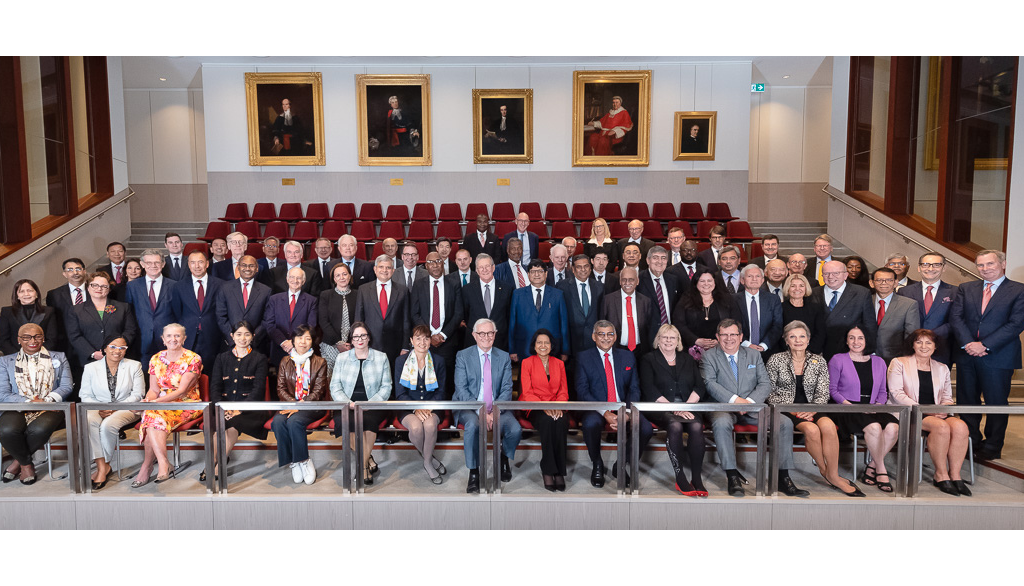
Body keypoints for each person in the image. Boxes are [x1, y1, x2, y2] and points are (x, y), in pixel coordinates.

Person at [702, 319, 808, 497]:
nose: (729, 339)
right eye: (724, 335)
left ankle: (783, 477)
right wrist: (736, 401)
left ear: (741, 336)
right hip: (722, 406)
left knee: (784, 423)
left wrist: (749, 402)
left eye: (733, 334)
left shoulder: (752, 354)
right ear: (717, 337)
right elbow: (709, 383)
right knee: (721, 423)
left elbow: (765, 383)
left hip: (753, 406)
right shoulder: (709, 356)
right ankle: (732, 475)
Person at [766, 321, 861, 496]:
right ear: (786, 340)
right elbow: (769, 393)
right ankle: (827, 472)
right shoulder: (776, 360)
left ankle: (832, 474)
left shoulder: (818, 361)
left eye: (802, 336)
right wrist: (793, 410)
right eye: (792, 336)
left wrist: (812, 410)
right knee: (811, 429)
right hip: (785, 409)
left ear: (808, 340)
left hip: (814, 407)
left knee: (828, 427)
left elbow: (823, 392)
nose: (798, 340)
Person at [950, 249, 1024, 461]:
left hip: (998, 356)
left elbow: (1016, 324)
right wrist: (968, 344)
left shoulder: (1019, 290)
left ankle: (992, 446)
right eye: (981, 265)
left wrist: (985, 345)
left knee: (996, 403)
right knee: (966, 401)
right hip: (967, 355)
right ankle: (970, 441)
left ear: (1003, 264)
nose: (985, 269)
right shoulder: (966, 288)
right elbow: (956, 318)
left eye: (990, 264)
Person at [888, 329, 972, 496]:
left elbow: (948, 397)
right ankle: (940, 474)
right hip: (909, 412)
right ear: (912, 344)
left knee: (961, 426)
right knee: (941, 427)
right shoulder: (899, 363)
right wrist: (927, 411)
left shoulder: (942, 368)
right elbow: (896, 394)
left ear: (935, 346)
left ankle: (955, 475)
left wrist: (942, 409)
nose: (923, 346)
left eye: (928, 342)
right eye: (919, 342)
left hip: (935, 413)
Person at [575, 320, 652, 488]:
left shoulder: (627, 356)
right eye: (601, 334)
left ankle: (621, 464)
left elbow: (634, 387)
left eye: (610, 334)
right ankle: (597, 463)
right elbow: (582, 390)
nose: (606, 338)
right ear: (594, 336)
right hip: (596, 408)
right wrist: (605, 412)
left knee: (645, 428)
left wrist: (628, 412)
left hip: (623, 406)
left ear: (615, 336)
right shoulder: (583, 357)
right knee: (590, 424)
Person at [639, 325, 708, 497]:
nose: (669, 341)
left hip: (687, 406)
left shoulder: (687, 359)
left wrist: (685, 406)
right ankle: (680, 476)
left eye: (673, 338)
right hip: (660, 407)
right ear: (658, 340)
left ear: (678, 341)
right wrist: (674, 409)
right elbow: (648, 388)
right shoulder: (648, 359)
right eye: (665, 337)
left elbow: (699, 386)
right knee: (675, 425)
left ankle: (697, 478)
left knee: (696, 426)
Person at [453, 319, 521, 494]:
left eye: (490, 333)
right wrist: (481, 412)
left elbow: (507, 388)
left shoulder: (503, 356)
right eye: (482, 333)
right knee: (473, 426)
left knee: (514, 429)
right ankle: (474, 472)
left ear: (495, 334)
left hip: (498, 406)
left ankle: (503, 457)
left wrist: (494, 412)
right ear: (474, 335)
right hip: (470, 407)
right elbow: (461, 389)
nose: (486, 337)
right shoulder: (463, 355)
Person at [829, 326, 899, 493]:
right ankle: (882, 471)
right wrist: (850, 406)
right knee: (874, 427)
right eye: (851, 338)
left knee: (893, 427)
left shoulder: (879, 362)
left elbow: (883, 391)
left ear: (867, 340)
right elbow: (833, 390)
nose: (856, 342)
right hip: (847, 408)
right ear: (846, 341)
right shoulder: (838, 359)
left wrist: (878, 406)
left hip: (874, 407)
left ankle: (872, 465)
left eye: (860, 338)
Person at [0, 324, 73, 485]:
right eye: (26, 337)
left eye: (37, 336)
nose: (32, 341)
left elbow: (67, 386)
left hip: (50, 406)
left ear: (43, 338)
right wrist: (29, 402)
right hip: (17, 406)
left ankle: (17, 464)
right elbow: (3, 393)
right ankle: (26, 463)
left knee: (39, 429)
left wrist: (46, 400)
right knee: (7, 429)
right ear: (19, 340)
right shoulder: (5, 361)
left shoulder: (59, 357)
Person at [133, 323, 203, 487]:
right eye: (169, 336)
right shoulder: (156, 359)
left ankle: (149, 466)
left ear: (184, 339)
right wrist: (148, 401)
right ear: (163, 339)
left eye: (177, 336)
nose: (173, 339)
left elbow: (181, 391)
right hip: (159, 406)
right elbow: (153, 390)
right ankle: (162, 463)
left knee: (151, 415)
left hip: (186, 404)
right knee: (152, 415)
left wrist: (154, 403)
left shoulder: (193, 358)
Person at [205, 321, 269, 483]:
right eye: (239, 334)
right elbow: (215, 388)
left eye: (247, 334)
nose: (243, 338)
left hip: (250, 409)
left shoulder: (259, 358)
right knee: (218, 425)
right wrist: (222, 408)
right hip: (224, 407)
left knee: (233, 423)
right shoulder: (222, 358)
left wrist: (239, 409)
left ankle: (218, 465)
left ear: (253, 337)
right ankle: (212, 462)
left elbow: (258, 389)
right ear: (232, 336)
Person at [79, 335, 145, 490]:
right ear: (104, 349)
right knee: (89, 421)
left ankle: (104, 466)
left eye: (122, 348)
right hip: (97, 407)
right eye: (113, 347)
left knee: (108, 425)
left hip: (127, 407)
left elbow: (138, 394)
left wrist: (116, 408)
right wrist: (100, 408)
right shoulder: (90, 368)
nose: (118, 351)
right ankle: (102, 466)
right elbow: (85, 395)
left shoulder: (134, 366)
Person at [330, 322, 392, 486]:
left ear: (369, 337)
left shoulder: (381, 357)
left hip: (373, 404)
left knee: (369, 422)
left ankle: (362, 466)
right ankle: (366, 459)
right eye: (356, 336)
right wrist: (349, 403)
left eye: (363, 335)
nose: (360, 339)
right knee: (346, 422)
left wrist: (369, 403)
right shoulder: (342, 358)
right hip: (347, 403)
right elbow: (335, 386)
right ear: (351, 339)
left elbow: (387, 387)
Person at [270, 325, 328, 485]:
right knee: (278, 422)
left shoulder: (320, 362)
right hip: (289, 405)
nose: (303, 342)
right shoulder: (285, 361)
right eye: (299, 338)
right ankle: (293, 462)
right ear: (293, 341)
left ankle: (303, 460)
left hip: (313, 406)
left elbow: (318, 390)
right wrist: (292, 404)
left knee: (295, 421)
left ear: (312, 341)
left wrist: (301, 405)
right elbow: (280, 388)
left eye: (307, 338)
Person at [394, 325, 448, 484]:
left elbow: (442, 391)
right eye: (418, 338)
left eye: (426, 338)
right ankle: (431, 459)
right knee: (416, 427)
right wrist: (416, 408)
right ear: (411, 341)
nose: (422, 342)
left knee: (430, 425)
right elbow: (400, 393)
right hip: (407, 407)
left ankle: (427, 463)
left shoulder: (439, 361)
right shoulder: (400, 361)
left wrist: (429, 407)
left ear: (430, 341)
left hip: (433, 406)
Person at [518, 329, 569, 492]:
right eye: (539, 342)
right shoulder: (527, 362)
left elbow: (563, 390)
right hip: (534, 406)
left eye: (546, 342)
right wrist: (545, 406)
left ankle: (560, 471)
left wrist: (558, 406)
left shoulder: (559, 363)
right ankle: (548, 470)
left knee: (561, 422)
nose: (543, 345)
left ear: (551, 345)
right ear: (534, 345)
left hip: (556, 406)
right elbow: (527, 392)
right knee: (547, 422)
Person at [410, 252, 463, 398]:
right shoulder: (419, 285)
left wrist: (442, 334)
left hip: (448, 341)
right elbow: (414, 313)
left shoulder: (454, 283)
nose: (435, 264)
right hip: (424, 342)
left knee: (447, 380)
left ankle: (446, 415)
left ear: (443, 263)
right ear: (426, 266)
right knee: (425, 378)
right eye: (431, 262)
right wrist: (429, 336)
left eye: (438, 261)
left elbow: (458, 313)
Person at [65, 272, 138, 368]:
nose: (99, 289)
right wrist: (92, 353)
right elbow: (74, 335)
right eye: (94, 285)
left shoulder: (123, 307)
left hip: (118, 358)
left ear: (109, 289)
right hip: (89, 361)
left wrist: (117, 348)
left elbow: (130, 330)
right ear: (88, 287)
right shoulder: (76, 310)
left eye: (104, 286)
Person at [898, 252, 958, 366]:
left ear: (944, 268)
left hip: (941, 349)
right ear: (919, 268)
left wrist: (930, 335)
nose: (930, 268)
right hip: (911, 349)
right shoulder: (904, 292)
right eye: (925, 264)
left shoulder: (955, 292)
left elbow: (956, 320)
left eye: (936, 265)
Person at [810, 260, 877, 360]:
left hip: (849, 350)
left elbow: (869, 324)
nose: (831, 277)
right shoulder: (812, 293)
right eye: (826, 273)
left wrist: (868, 350)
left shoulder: (861, 293)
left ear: (845, 275)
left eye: (836, 273)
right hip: (819, 351)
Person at [170, 250, 225, 370]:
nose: (197, 266)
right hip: (187, 337)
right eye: (193, 263)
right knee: (187, 372)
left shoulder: (220, 285)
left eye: (200, 262)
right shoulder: (179, 286)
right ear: (188, 265)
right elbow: (177, 313)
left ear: (207, 264)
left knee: (212, 372)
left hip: (213, 336)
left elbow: (222, 312)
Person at [354, 254, 411, 366]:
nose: (384, 270)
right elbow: (359, 320)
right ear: (375, 269)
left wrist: (405, 346)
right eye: (381, 267)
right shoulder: (363, 289)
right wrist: (358, 343)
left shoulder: (403, 291)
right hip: (370, 344)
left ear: (393, 270)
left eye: (388, 267)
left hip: (395, 345)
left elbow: (406, 320)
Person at [508, 259, 569, 363]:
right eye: (533, 271)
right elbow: (512, 323)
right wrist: (512, 349)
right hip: (524, 347)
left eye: (540, 271)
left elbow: (564, 324)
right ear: (528, 274)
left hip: (552, 349)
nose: (536, 274)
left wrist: (565, 350)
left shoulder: (558, 295)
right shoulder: (517, 294)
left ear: (546, 274)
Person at [672, 268, 740, 358]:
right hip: (692, 350)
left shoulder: (727, 299)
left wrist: (720, 340)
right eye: (702, 281)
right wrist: (696, 340)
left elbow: (736, 322)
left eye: (709, 280)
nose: (706, 284)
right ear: (696, 283)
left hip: (722, 348)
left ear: (715, 282)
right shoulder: (685, 300)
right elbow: (679, 324)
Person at [126, 249, 178, 360]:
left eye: (157, 262)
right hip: (141, 342)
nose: (153, 266)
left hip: (168, 342)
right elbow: (128, 314)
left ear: (163, 264)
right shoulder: (132, 286)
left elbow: (179, 314)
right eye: (149, 263)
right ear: (142, 264)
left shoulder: (175, 286)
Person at [215, 255, 271, 355]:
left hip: (256, 346)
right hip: (230, 346)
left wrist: (251, 339)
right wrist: (234, 340)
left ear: (257, 268)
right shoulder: (225, 288)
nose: (247, 269)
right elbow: (221, 317)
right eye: (244, 265)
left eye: (251, 266)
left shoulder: (266, 291)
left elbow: (267, 319)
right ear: (238, 267)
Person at [264, 267, 319, 366]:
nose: (295, 280)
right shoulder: (274, 299)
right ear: (287, 279)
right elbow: (269, 325)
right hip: (279, 348)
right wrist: (283, 341)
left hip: (302, 349)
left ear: (303, 281)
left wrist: (294, 343)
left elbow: (311, 325)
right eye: (292, 277)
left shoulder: (311, 301)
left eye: (299, 278)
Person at [600, 266, 654, 361]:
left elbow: (649, 327)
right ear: (620, 281)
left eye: (631, 280)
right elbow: (602, 325)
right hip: (616, 349)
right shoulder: (608, 300)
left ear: (637, 281)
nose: (627, 283)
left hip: (640, 351)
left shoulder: (646, 301)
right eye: (624, 280)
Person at [461, 253, 512, 354]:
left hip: (500, 341)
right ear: (477, 270)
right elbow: (466, 314)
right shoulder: (467, 290)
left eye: (487, 266)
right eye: (481, 267)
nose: (484, 270)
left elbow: (509, 315)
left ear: (493, 268)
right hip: (475, 341)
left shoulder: (507, 289)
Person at [557, 254, 604, 359]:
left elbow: (602, 315)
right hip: (572, 343)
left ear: (590, 268)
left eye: (586, 266)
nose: (583, 269)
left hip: (593, 343)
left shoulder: (599, 287)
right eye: (579, 267)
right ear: (573, 269)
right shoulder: (562, 287)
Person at [870, 267, 920, 363]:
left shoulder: (909, 304)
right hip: (866, 356)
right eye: (879, 280)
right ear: (871, 283)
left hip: (895, 358)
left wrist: (905, 359)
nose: (884, 283)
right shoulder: (865, 301)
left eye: (889, 280)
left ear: (896, 283)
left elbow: (911, 335)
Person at [734, 264, 782, 359]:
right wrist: (746, 344)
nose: (754, 279)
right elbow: (731, 325)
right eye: (750, 276)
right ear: (742, 280)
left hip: (767, 351)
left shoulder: (773, 299)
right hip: (740, 350)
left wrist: (764, 345)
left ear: (763, 280)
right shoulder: (733, 300)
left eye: (758, 276)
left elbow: (777, 325)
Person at [0, 279, 59, 356]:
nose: (26, 294)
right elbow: (3, 340)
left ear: (36, 294)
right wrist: (19, 356)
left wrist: (38, 355)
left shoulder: (49, 311)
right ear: (17, 295)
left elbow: (52, 339)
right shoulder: (6, 312)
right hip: (15, 357)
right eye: (21, 291)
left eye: (30, 290)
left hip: (42, 357)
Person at [318, 262, 357, 377]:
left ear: (350, 276)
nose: (342, 278)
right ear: (334, 279)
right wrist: (338, 343)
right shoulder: (325, 295)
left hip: (353, 345)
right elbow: (323, 322)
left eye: (344, 274)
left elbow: (360, 320)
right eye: (338, 275)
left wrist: (351, 342)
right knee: (331, 381)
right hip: (331, 345)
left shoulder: (358, 294)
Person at [45, 257, 89, 354]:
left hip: (91, 341)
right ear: (64, 274)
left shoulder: (95, 290)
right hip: (66, 344)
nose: (75, 273)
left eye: (78, 269)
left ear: (84, 271)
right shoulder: (54, 295)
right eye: (70, 270)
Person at [780, 274, 827, 356]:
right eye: (793, 286)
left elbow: (820, 333)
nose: (797, 289)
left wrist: (808, 352)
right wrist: (790, 352)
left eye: (801, 286)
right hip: (785, 353)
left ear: (806, 288)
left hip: (812, 353)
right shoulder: (780, 308)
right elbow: (778, 332)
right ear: (787, 288)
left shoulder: (816, 307)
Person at [637, 247, 682, 327]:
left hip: (669, 332)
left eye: (663, 258)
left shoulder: (673, 280)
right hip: (646, 331)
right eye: (655, 258)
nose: (660, 262)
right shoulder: (638, 280)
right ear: (648, 260)